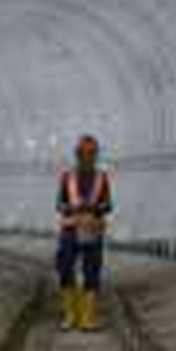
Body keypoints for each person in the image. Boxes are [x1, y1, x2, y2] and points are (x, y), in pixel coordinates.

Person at [56, 134, 113, 331]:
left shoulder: (101, 178)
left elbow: (108, 204)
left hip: (92, 229)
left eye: (91, 153)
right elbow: (59, 203)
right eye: (83, 153)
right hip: (71, 228)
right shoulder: (67, 177)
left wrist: (95, 208)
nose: (87, 157)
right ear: (77, 155)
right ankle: (71, 314)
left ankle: (87, 317)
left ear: (95, 155)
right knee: (65, 267)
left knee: (92, 270)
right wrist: (72, 208)